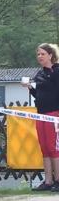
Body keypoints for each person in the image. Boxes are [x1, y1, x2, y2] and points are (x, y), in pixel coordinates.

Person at [21, 42, 59, 191]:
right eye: (38, 54)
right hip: (41, 114)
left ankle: (58, 180)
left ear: (50, 55)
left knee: (54, 148)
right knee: (45, 148)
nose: (40, 56)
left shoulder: (57, 71)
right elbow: (38, 94)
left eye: (43, 54)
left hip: (54, 114)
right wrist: (30, 87)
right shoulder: (39, 74)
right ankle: (48, 181)